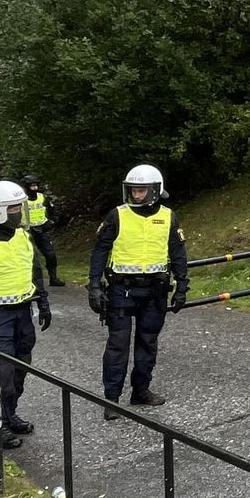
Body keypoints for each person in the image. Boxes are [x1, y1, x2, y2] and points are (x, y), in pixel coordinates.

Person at [88, 165, 188, 419]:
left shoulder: (168, 217)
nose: (136, 195)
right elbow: (99, 251)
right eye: (133, 190)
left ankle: (140, 391)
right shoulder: (116, 216)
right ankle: (112, 400)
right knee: (117, 345)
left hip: (155, 290)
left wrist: (182, 287)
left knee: (148, 342)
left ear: (155, 190)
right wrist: (95, 286)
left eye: (141, 190)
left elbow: (178, 254)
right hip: (122, 290)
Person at [0, 181, 51, 447]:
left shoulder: (22, 235)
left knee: (20, 365)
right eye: (13, 208)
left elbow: (34, 269)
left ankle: (10, 413)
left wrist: (44, 302)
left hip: (22, 311)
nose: (18, 212)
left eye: (19, 207)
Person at [22, 175, 65, 286]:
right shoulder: (21, 200)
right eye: (32, 186)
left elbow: (52, 211)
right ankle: (33, 281)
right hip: (28, 231)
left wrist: (51, 222)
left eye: (36, 185)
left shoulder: (42, 197)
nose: (35, 188)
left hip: (42, 230)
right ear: (26, 187)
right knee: (31, 257)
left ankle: (53, 278)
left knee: (50, 255)